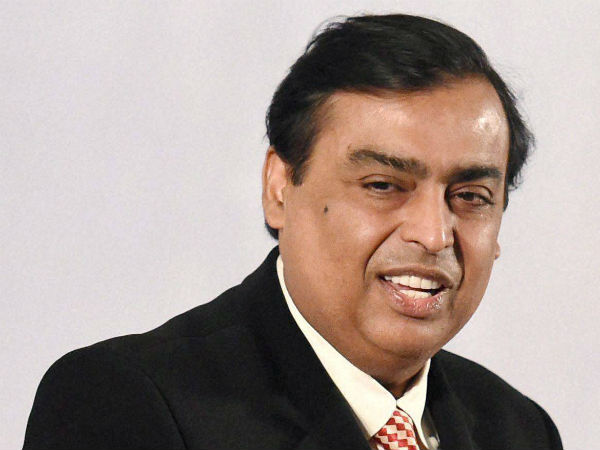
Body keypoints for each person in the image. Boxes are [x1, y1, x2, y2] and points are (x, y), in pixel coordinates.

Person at [23, 14, 563, 450]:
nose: (434, 234)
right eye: (382, 185)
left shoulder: (519, 429)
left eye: (470, 196)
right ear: (280, 186)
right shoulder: (126, 405)